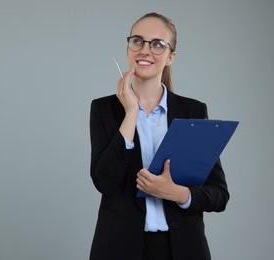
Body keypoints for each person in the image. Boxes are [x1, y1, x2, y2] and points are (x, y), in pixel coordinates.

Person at [89, 12, 229, 260]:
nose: (145, 50)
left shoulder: (193, 111)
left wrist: (178, 193)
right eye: (137, 41)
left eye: (157, 44)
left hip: (182, 248)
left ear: (170, 57)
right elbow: (104, 182)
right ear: (129, 47)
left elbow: (218, 194)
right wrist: (131, 113)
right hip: (120, 248)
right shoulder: (104, 109)